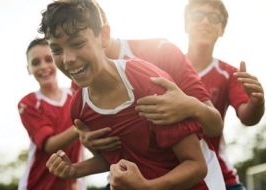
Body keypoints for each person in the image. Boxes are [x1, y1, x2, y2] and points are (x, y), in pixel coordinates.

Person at [40, 0, 209, 189]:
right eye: (56, 50)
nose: (68, 59)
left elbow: (196, 165)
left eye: (78, 43)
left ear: (104, 36)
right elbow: (118, 158)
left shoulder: (146, 80)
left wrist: (146, 187)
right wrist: (76, 170)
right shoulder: (79, 107)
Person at [183, 0, 264, 189]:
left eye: (213, 17)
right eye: (197, 15)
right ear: (186, 24)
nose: (205, 22)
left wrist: (257, 103)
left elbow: (247, 116)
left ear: (222, 29)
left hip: (219, 175)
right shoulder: (163, 67)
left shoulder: (230, 74)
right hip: (169, 172)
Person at [17, 39, 85, 190]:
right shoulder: (27, 103)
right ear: (28, 69)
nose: (43, 66)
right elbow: (50, 146)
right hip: (37, 185)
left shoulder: (77, 95)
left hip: (74, 185)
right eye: (35, 62)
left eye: (49, 59)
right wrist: (83, 123)